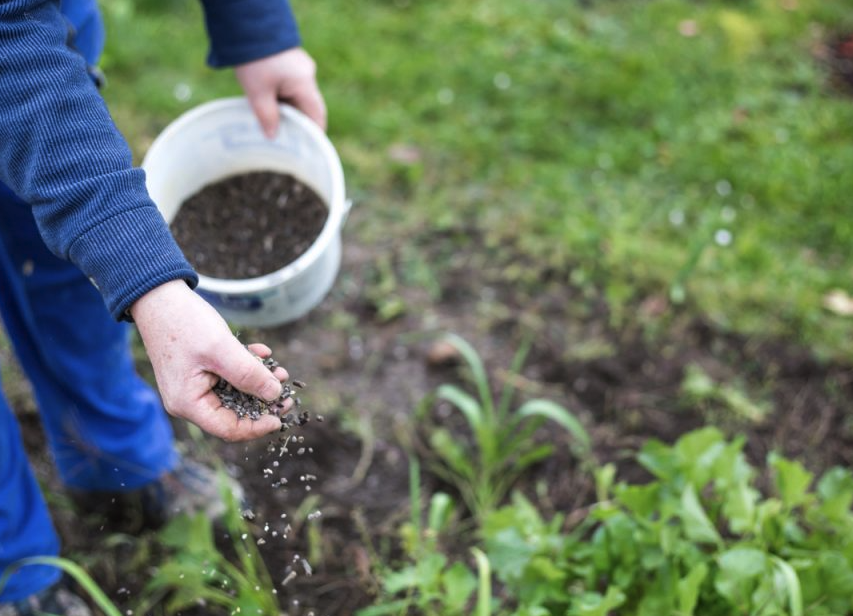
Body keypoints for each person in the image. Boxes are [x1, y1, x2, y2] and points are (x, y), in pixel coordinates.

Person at [0, 0, 327, 613]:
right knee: (86, 209)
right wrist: (152, 285)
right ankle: (14, 567)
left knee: (64, 256)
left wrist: (255, 29)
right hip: (12, 40)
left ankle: (113, 457)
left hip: (46, 26)